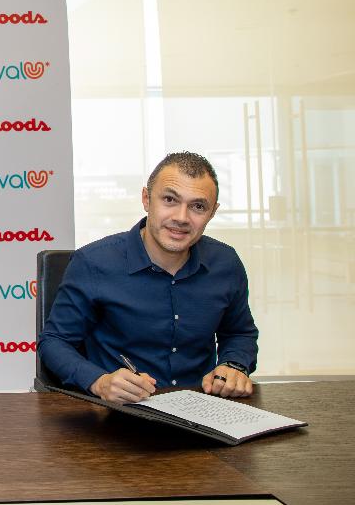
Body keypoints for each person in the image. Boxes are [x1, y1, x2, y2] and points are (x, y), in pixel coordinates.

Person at [39, 152, 258, 404]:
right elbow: (54, 342)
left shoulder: (226, 263)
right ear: (146, 199)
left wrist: (233, 364)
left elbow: (240, 333)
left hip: (202, 407)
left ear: (212, 212)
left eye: (198, 206)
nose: (181, 218)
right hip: (121, 411)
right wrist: (98, 381)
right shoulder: (93, 262)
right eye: (169, 200)